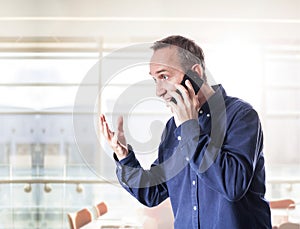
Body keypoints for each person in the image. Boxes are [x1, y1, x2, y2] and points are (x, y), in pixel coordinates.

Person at [99, 35, 272, 229]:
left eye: (164, 76)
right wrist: (124, 156)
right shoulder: (173, 128)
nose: (159, 91)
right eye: (155, 79)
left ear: (195, 73)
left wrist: (190, 128)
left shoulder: (241, 115)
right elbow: (153, 192)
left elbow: (232, 185)